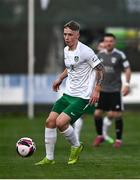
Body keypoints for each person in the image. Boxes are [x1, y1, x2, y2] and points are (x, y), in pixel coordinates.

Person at [35, 20, 104, 165]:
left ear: (77, 35)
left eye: (70, 35)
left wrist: (97, 89)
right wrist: (60, 78)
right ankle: (49, 158)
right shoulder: (66, 50)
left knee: (61, 123)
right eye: (65, 34)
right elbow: (71, 67)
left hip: (82, 97)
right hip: (68, 94)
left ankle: (76, 146)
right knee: (50, 122)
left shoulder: (86, 51)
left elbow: (100, 69)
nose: (67, 37)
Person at [93, 33, 131, 148]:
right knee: (97, 114)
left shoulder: (120, 55)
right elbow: (96, 71)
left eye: (111, 41)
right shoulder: (99, 55)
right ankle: (100, 136)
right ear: (103, 43)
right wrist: (95, 86)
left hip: (115, 90)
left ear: (114, 42)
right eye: (106, 41)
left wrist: (127, 84)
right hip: (102, 90)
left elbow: (127, 69)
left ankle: (118, 140)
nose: (108, 43)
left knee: (117, 115)